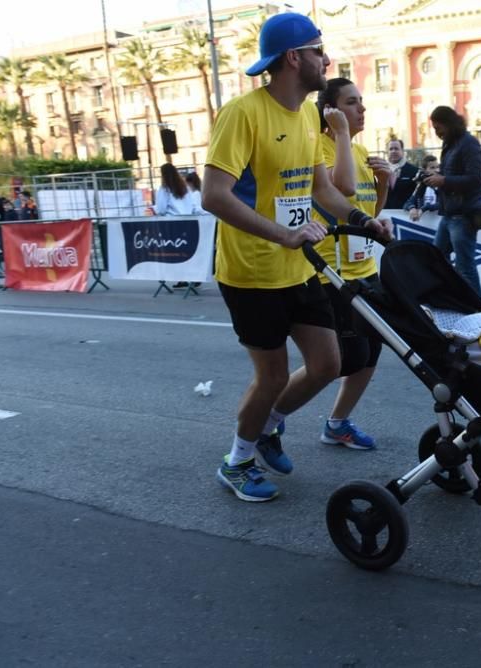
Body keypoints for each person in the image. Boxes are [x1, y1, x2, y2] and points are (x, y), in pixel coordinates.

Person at [202, 12, 391, 502]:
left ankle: (268, 427)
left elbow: (322, 189)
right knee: (274, 375)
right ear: (293, 58)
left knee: (329, 362)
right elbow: (214, 196)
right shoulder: (243, 113)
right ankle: (237, 460)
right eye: (317, 49)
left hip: (297, 266)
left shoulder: (309, 116)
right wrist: (280, 236)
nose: (325, 59)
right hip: (250, 272)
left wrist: (362, 219)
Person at [312, 77, 391, 451]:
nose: (361, 109)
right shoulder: (321, 148)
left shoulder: (360, 153)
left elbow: (365, 215)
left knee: (371, 353)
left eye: (361, 102)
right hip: (332, 272)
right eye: (351, 102)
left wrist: (385, 184)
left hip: (364, 269)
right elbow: (339, 191)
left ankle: (337, 423)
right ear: (330, 112)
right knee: (341, 360)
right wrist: (340, 134)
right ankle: (269, 413)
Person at [424, 105, 481, 296]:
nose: (437, 133)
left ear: (448, 124)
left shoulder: (468, 144)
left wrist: (443, 180)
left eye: (437, 128)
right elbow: (453, 174)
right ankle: (455, 298)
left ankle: (479, 312)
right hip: (451, 213)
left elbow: (475, 179)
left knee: (465, 265)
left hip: (463, 214)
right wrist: (438, 177)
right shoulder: (452, 144)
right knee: (438, 259)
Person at [383, 138, 418, 210]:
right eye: (391, 149)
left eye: (396, 149)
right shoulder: (381, 170)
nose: (393, 151)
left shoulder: (414, 171)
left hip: (406, 215)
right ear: (387, 152)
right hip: (384, 214)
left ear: (402, 150)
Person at [403, 155, 440, 221]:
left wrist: (424, 209)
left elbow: (443, 204)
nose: (437, 170)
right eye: (432, 168)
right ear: (424, 171)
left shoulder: (442, 184)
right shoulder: (422, 186)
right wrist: (412, 208)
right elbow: (408, 203)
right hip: (424, 227)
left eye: (438, 167)